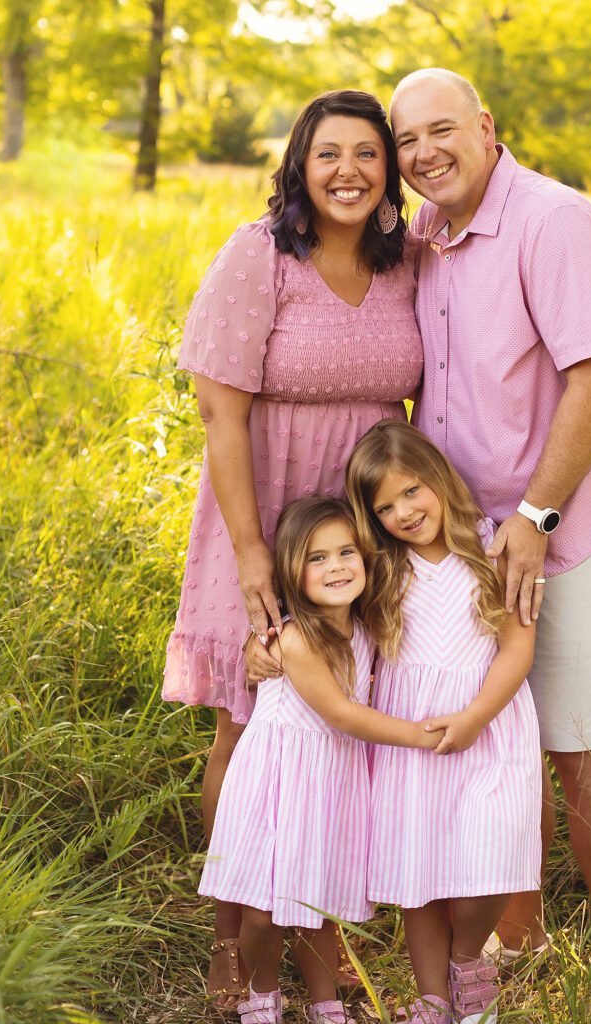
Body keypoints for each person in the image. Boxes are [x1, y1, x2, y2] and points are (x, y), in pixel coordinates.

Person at [389, 69, 591, 1002]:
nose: (425, 153)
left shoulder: (553, 220)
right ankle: (521, 931)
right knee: (504, 742)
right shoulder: (425, 236)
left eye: (442, 130)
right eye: (408, 140)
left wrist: (536, 518)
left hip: (563, 531)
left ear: (487, 127)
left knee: (582, 741)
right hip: (465, 542)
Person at [161, 89, 423, 1001]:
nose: (348, 171)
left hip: (360, 526)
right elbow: (221, 415)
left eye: (367, 154)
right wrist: (246, 551)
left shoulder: (407, 263)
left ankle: (312, 928)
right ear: (299, 169)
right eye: (327, 155)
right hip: (265, 507)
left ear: (389, 171)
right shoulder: (260, 255)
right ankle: (233, 944)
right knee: (250, 723)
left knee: (340, 723)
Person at [200, 496, 444, 1024]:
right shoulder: (294, 638)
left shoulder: (364, 627)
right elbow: (342, 714)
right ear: (291, 572)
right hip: (277, 784)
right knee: (262, 915)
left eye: (346, 552)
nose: (335, 566)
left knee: (317, 906)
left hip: (329, 785)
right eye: (317, 558)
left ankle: (325, 1002)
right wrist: (420, 735)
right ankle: (263, 993)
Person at [345, 420, 543, 1024]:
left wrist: (478, 716)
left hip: (490, 723)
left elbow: (516, 647)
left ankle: (467, 960)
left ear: (438, 479)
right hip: (413, 733)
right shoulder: (380, 569)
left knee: (496, 848)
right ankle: (433, 1000)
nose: (403, 511)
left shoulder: (490, 549)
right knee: (419, 867)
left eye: (412, 491)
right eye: (385, 505)